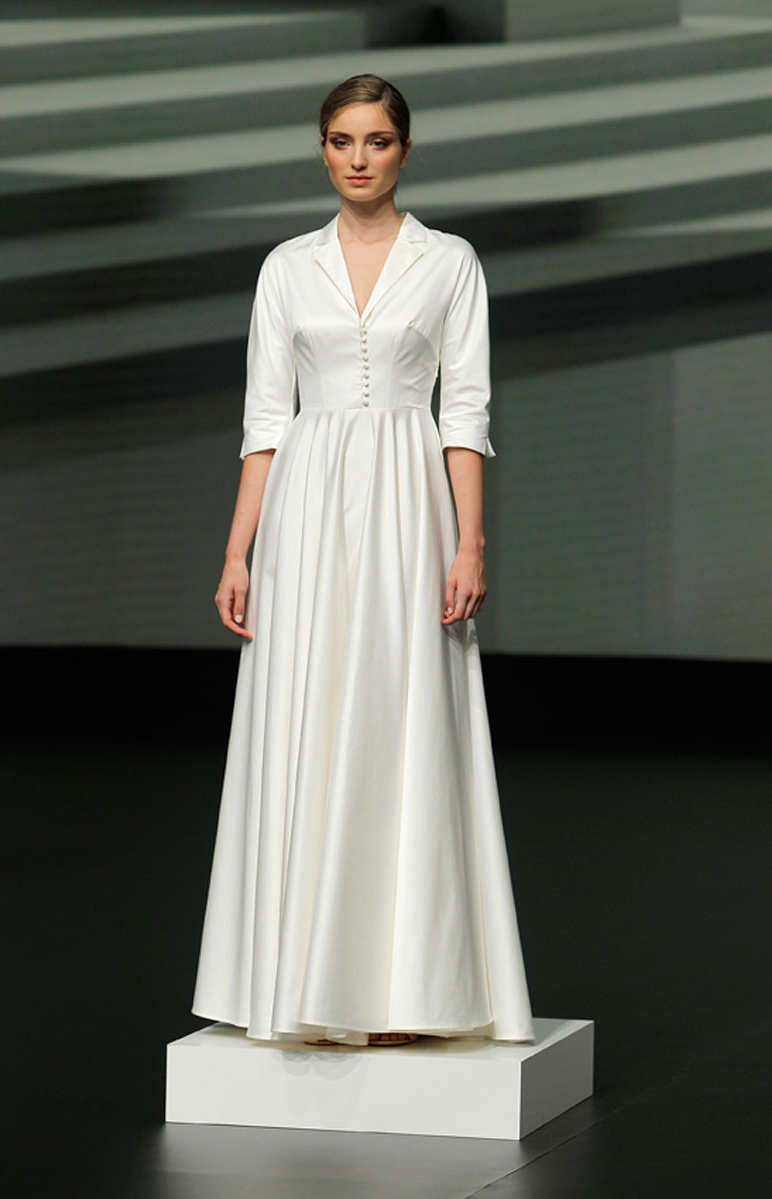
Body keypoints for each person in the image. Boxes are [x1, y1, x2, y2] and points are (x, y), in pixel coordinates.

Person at [191, 74, 535, 1049]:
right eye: (341, 140)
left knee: (401, 714)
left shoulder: (449, 262)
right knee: (307, 712)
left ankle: (404, 991)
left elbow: (464, 411)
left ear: (404, 151)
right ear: (322, 149)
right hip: (303, 512)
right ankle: (301, 981)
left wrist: (469, 540)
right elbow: (266, 419)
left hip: (408, 508)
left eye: (376, 141)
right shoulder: (286, 267)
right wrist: (237, 549)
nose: (358, 158)